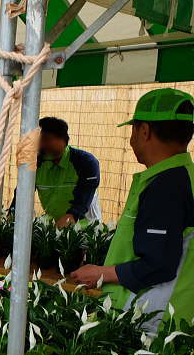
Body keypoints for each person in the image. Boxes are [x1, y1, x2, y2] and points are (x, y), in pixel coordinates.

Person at [72, 88, 194, 323]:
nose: (131, 140)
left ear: (145, 130)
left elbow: (159, 265)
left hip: (156, 317)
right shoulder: (185, 176)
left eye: (133, 130)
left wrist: (101, 273)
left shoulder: (167, 185)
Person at [33, 117, 101, 227]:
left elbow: (82, 200)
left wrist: (72, 215)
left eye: (46, 139)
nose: (41, 145)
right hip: (55, 229)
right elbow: (22, 192)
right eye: (40, 140)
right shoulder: (37, 163)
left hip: (86, 230)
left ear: (62, 140)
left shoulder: (85, 162)